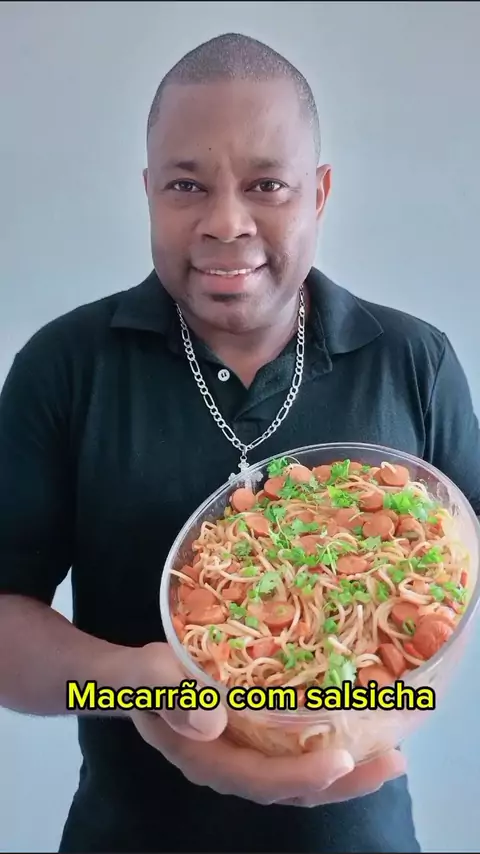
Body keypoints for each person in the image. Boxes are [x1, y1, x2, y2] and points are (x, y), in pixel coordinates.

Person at [1, 30, 479, 854]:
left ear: (318, 194)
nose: (226, 222)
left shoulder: (415, 361)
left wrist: (372, 708)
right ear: (149, 192)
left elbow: (460, 579)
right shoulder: (64, 366)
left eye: (267, 185)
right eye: (187, 185)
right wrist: (136, 687)